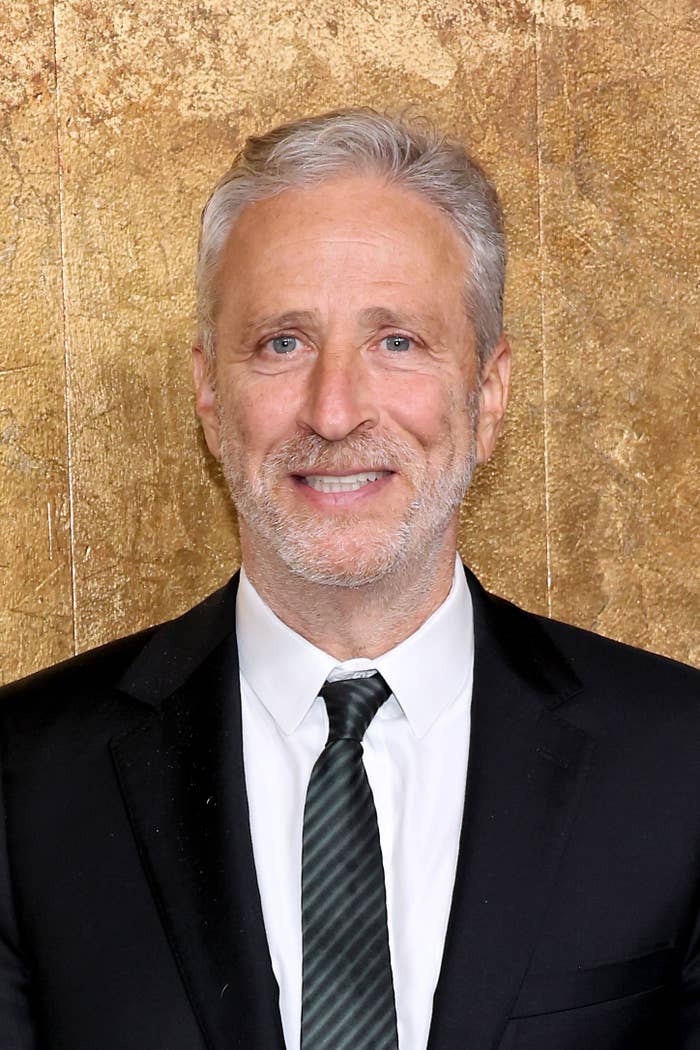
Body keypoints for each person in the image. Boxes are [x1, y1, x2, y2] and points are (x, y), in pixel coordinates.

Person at [0, 108, 698, 1050]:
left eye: (397, 341)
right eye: (282, 343)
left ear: (487, 394)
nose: (333, 411)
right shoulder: (24, 783)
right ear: (211, 396)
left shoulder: (679, 764)